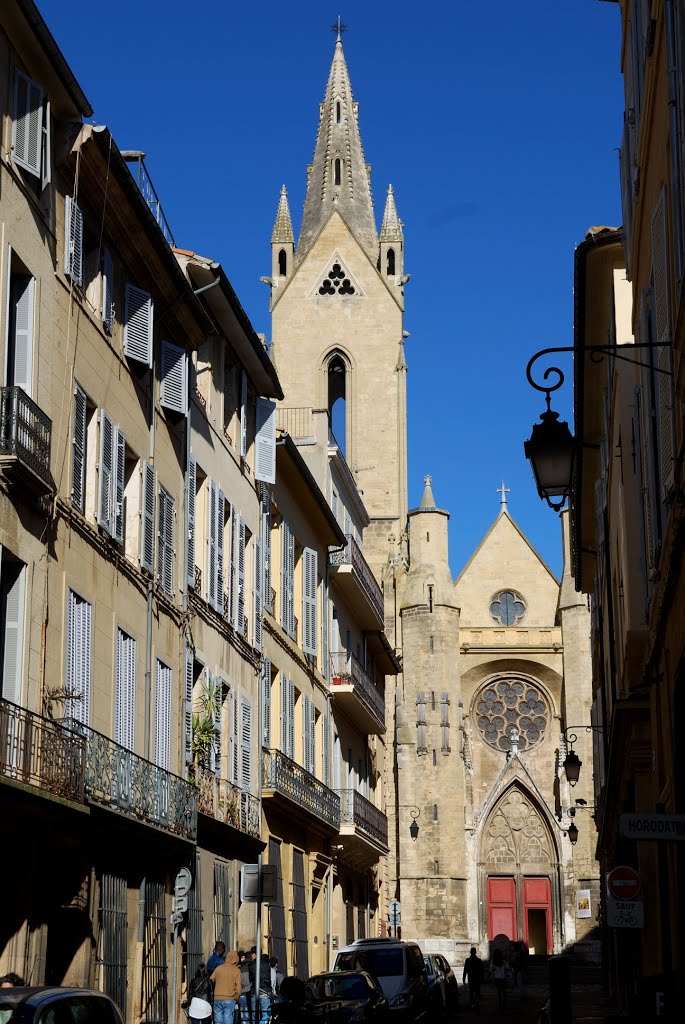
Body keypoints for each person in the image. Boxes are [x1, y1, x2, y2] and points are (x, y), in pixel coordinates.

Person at [210, 950, 241, 1024]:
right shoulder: (236, 970)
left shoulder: (218, 968)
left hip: (217, 998)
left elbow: (211, 980)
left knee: (218, 1022)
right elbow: (238, 986)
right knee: (228, 1021)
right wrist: (236, 996)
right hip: (229, 999)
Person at [248, 949, 272, 1024]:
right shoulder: (267, 965)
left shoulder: (251, 965)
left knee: (255, 1015)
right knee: (265, 1015)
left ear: (255, 954)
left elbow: (250, 979)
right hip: (265, 991)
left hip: (254, 991)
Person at [238, 950, 252, 1024]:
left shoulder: (240, 968)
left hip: (244, 992)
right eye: (241, 957)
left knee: (244, 1011)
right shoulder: (239, 968)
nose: (243, 959)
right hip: (246, 992)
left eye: (244, 957)